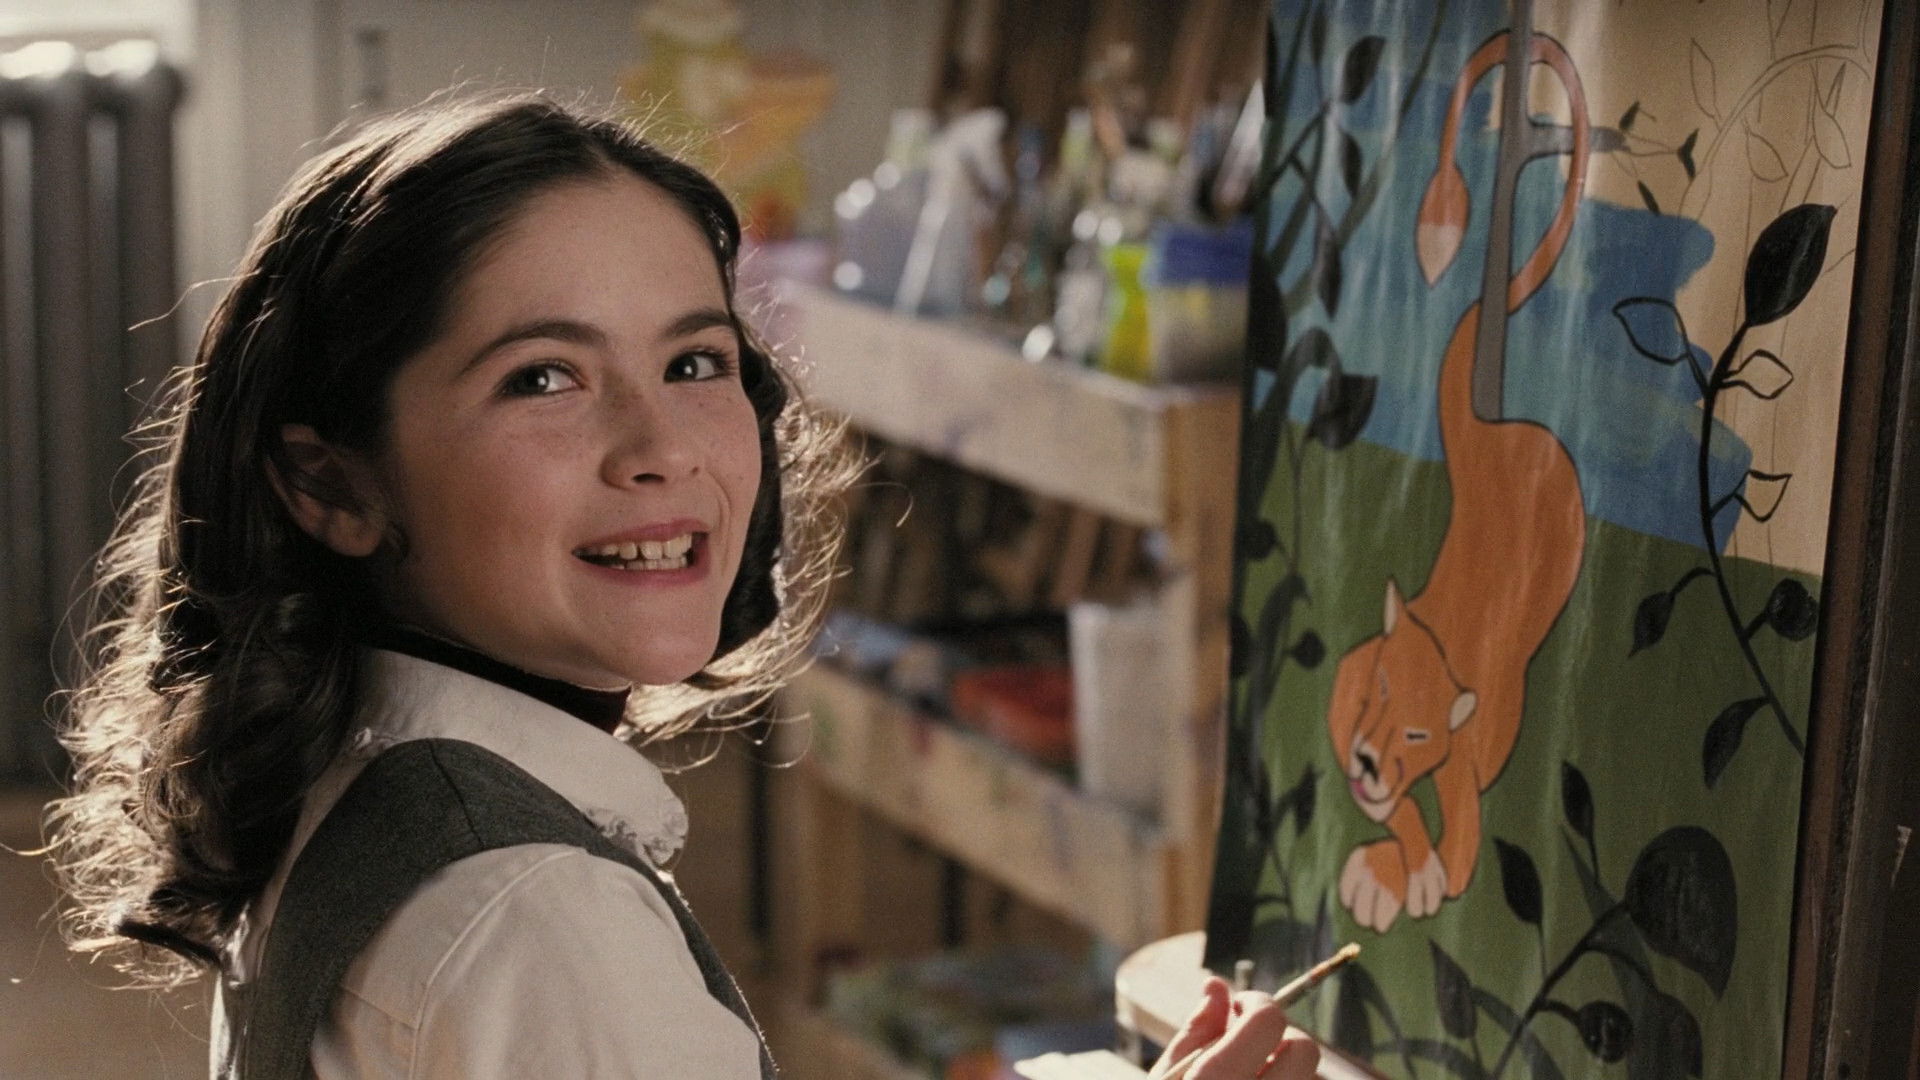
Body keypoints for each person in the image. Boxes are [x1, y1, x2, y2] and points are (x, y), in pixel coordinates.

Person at [42, 92, 1318, 1079]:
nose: (661, 449)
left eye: (698, 362)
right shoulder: (542, 921)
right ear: (331, 483)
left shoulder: (353, 766)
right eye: (543, 377)